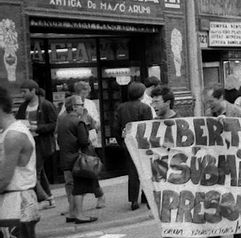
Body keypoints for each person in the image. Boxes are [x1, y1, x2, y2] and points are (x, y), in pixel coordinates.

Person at [0, 86, 76, 238]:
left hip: (16, 205)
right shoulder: (6, 133)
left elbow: (3, 179)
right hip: (8, 205)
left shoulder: (13, 136)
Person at [195, 84, 241, 238]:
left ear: (221, 98)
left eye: (211, 101)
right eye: (206, 102)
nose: (208, 105)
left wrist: (228, 127)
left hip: (233, 166)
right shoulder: (208, 116)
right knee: (209, 201)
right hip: (214, 166)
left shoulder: (239, 113)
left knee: (234, 202)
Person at [151, 86, 193, 238]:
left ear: (167, 102)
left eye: (156, 101)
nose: (153, 104)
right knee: (164, 204)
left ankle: (185, 229)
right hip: (160, 171)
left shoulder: (180, 123)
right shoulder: (150, 124)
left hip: (178, 170)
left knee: (182, 200)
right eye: (152, 101)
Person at [57, 81, 105, 209]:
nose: (85, 96)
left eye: (87, 93)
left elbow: (97, 122)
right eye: (83, 93)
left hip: (86, 141)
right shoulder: (69, 104)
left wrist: (87, 119)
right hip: (73, 144)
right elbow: (62, 119)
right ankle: (71, 205)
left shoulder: (90, 105)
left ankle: (99, 196)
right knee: (70, 180)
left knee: (89, 172)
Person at [113, 82, 154, 210]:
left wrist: (121, 141)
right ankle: (145, 196)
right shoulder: (145, 108)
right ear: (141, 94)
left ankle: (133, 200)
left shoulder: (121, 108)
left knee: (132, 170)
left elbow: (115, 127)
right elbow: (149, 127)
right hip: (142, 143)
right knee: (145, 170)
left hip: (128, 142)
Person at [15, 80, 56, 205]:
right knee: (39, 170)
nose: (22, 94)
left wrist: (37, 128)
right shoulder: (23, 106)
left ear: (33, 90)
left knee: (34, 171)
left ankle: (37, 200)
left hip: (41, 142)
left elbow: (53, 124)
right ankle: (49, 197)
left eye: (25, 92)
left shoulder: (46, 105)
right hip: (28, 142)